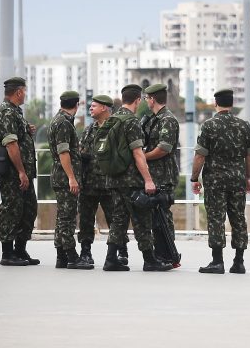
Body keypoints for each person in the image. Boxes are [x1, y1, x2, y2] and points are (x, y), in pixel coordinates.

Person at [101, 84, 169, 272]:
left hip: (113, 178)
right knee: (141, 219)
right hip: (130, 180)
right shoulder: (131, 121)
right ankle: (149, 259)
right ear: (138, 100)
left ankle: (110, 258)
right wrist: (148, 179)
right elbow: (138, 154)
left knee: (119, 219)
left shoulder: (111, 119)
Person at [192, 87, 250, 274]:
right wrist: (248, 177)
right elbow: (249, 156)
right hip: (237, 180)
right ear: (232, 103)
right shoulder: (244, 126)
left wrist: (195, 178)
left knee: (216, 218)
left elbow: (200, 156)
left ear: (216, 103)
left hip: (215, 181)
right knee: (238, 218)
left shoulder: (209, 125)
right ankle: (239, 262)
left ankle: (217, 262)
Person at [0, 77, 39, 266]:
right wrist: (20, 171)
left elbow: (17, 136)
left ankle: (20, 250)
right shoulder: (6, 113)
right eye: (24, 91)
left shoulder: (15, 112)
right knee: (12, 209)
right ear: (18, 92)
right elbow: (11, 144)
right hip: (13, 173)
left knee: (28, 209)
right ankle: (7, 253)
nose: (25, 94)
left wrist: (27, 130)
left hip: (24, 172)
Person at [74, 94, 117, 270]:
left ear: (105, 108)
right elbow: (82, 150)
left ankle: (119, 251)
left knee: (115, 220)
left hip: (109, 183)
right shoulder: (89, 129)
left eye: (94, 106)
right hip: (89, 183)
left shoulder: (115, 128)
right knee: (85, 220)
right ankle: (85, 252)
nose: (91, 108)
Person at [141, 81, 181, 267]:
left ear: (152, 99)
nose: (146, 101)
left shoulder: (167, 120)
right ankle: (160, 254)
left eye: (147, 98)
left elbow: (164, 148)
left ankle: (167, 254)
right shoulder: (153, 119)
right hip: (154, 175)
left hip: (164, 176)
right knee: (154, 218)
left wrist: (142, 158)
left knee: (163, 217)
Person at [47, 91, 82, 269]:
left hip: (60, 176)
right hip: (65, 177)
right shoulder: (64, 124)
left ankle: (61, 256)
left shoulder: (56, 120)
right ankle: (71, 255)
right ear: (76, 105)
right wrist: (71, 178)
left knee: (62, 217)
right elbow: (63, 152)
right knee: (67, 218)